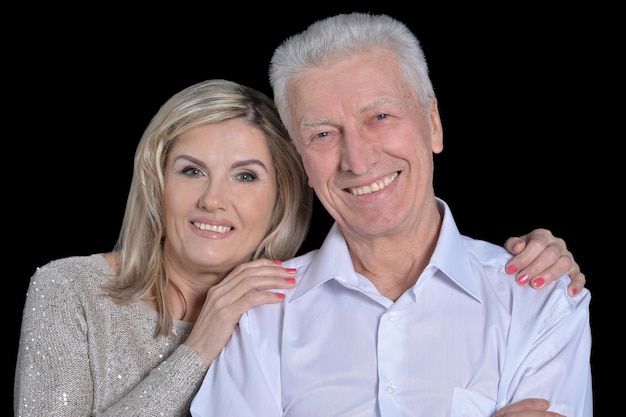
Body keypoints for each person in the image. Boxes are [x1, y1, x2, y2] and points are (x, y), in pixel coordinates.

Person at [13, 84, 583, 417]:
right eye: (191, 171)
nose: (214, 200)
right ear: (156, 181)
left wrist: (542, 256)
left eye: (245, 176)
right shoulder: (72, 290)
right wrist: (203, 341)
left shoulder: (286, 304)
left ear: (281, 196)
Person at [190, 13, 592, 417]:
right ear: (302, 164)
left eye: (379, 117)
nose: (359, 161)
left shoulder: (542, 300)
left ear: (433, 125)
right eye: (323, 134)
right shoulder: (258, 318)